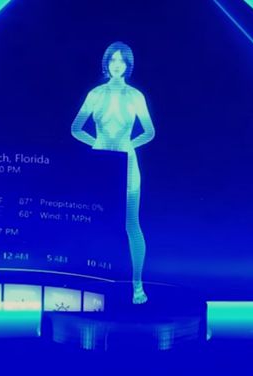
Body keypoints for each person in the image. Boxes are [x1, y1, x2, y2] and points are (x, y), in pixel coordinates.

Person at [71, 41, 155, 304]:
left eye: (122, 60)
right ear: (106, 63)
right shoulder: (95, 94)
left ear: (128, 65)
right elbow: (76, 128)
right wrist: (98, 146)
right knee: (95, 223)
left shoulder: (135, 96)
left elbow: (149, 132)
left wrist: (128, 147)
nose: (117, 64)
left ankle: (137, 286)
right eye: (113, 60)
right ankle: (91, 284)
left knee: (132, 225)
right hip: (101, 167)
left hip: (127, 166)